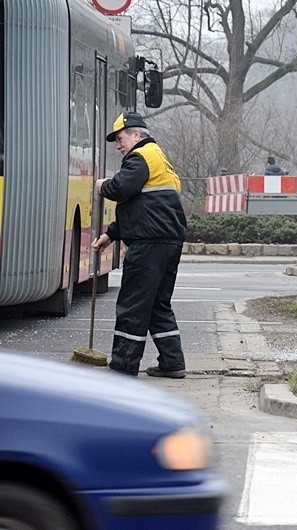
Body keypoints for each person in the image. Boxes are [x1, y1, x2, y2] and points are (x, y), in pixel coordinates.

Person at [92, 111, 187, 378]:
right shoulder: (161, 160)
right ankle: (172, 362)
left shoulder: (140, 156)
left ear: (136, 134)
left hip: (148, 245)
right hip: (168, 242)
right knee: (158, 304)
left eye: (120, 138)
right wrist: (111, 234)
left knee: (133, 305)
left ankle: (123, 367)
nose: (119, 145)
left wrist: (103, 185)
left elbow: (121, 188)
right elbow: (143, 207)